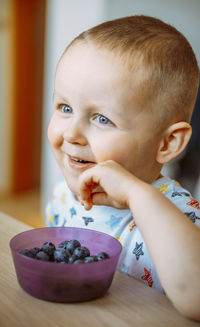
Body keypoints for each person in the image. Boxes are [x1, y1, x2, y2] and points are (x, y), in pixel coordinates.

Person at [46, 15, 200, 319]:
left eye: (102, 119)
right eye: (65, 108)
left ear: (167, 143)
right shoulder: (63, 196)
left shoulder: (181, 216)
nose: (72, 133)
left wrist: (135, 193)